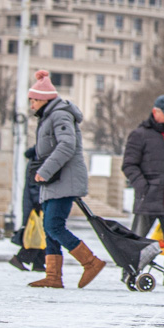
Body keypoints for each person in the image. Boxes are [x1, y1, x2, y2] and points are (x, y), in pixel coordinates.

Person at [26, 70, 107, 289]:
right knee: (49, 225)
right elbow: (52, 144)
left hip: (64, 179)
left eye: (32, 100)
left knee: (54, 225)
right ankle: (53, 276)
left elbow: (66, 145)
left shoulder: (60, 114)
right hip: (54, 180)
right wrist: (34, 153)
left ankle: (90, 262)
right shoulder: (49, 116)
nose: (30, 104)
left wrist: (45, 169)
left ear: (43, 99)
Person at [122, 95, 164, 286]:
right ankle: (129, 272)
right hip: (148, 197)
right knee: (137, 240)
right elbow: (129, 165)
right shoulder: (140, 134)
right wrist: (143, 187)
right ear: (155, 112)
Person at [8, 147, 46, 272]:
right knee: (37, 233)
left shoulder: (37, 158)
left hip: (35, 201)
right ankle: (20, 258)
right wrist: (38, 201)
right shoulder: (37, 159)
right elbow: (34, 184)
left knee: (41, 232)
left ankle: (39, 264)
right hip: (36, 202)